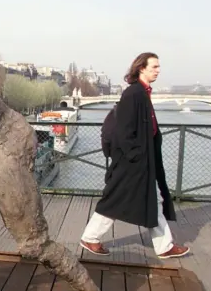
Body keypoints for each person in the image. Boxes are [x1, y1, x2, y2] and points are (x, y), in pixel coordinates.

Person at [79, 52, 190, 259]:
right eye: (154, 67)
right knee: (117, 199)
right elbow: (124, 130)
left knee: (150, 198)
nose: (158, 70)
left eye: (158, 67)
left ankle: (164, 245)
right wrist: (136, 155)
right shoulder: (134, 94)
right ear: (142, 68)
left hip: (140, 159)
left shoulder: (142, 92)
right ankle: (90, 237)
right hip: (134, 161)